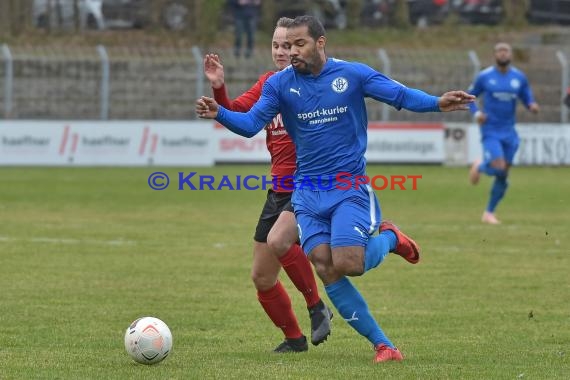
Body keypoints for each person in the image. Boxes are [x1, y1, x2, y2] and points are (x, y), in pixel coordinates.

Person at [196, 15, 474, 363]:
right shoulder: (280, 84)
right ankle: (384, 346)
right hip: (307, 195)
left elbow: (399, 95)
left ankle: (389, 237)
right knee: (325, 267)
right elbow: (251, 123)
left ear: (320, 43)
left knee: (349, 263)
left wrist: (436, 102)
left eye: (299, 44)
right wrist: (219, 112)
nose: (291, 52)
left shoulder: (353, 74)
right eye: (286, 45)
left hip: (348, 188)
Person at [203, 17, 333, 353]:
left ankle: (317, 306)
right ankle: (294, 339)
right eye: (276, 45)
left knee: (280, 242)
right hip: (278, 189)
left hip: (307, 184)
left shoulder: (311, 83)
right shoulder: (269, 85)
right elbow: (236, 114)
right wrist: (219, 88)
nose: (281, 51)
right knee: (262, 277)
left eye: (287, 45)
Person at [468, 42, 539, 225]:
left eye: (506, 51)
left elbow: (526, 95)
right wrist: (477, 114)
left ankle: (489, 213)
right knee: (498, 166)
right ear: (494, 55)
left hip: (509, 131)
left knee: (503, 174)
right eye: (500, 51)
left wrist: (531, 105)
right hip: (491, 129)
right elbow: (470, 98)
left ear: (511, 55)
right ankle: (480, 166)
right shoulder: (484, 77)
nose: (503, 54)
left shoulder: (519, 77)